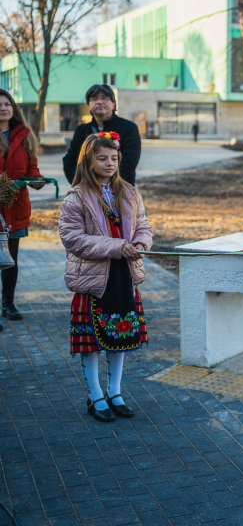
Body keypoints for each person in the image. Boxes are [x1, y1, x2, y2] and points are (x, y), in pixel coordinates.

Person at [59, 133, 153, 423]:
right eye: (102, 158)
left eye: (113, 158)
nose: (109, 163)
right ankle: (95, 394)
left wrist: (139, 244)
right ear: (88, 161)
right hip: (93, 281)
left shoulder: (129, 192)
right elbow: (72, 237)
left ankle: (115, 392)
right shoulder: (76, 197)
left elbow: (143, 226)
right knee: (90, 343)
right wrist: (115, 247)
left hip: (123, 278)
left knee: (119, 336)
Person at [0, 90, 45, 326]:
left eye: (7, 103)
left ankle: (8, 303)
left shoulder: (24, 135)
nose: (3, 108)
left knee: (11, 259)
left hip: (15, 208)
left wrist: (36, 179)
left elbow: (32, 168)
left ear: (13, 108)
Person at [63, 85, 141, 185]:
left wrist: (105, 184)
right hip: (87, 189)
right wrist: (80, 183)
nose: (99, 102)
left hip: (119, 190)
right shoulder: (81, 130)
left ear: (114, 104)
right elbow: (69, 159)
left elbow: (130, 161)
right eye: (94, 99)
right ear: (89, 106)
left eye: (105, 98)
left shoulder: (128, 128)